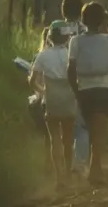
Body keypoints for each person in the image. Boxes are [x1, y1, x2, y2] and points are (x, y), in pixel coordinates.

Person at [67, 2, 108, 186]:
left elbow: (70, 70)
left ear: (83, 20)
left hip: (84, 90)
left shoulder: (76, 41)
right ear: (102, 19)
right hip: (103, 89)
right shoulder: (107, 40)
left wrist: (76, 92)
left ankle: (90, 168)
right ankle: (95, 169)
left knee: (89, 130)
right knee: (99, 132)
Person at [29, 21, 76, 189]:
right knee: (68, 138)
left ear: (49, 37)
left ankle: (59, 178)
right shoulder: (71, 54)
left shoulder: (43, 56)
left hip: (52, 100)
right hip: (69, 99)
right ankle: (69, 173)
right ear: (66, 37)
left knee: (54, 138)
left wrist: (43, 92)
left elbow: (32, 81)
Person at [61, 0, 89, 177]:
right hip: (81, 79)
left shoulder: (55, 29)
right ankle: (78, 163)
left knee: (62, 126)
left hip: (57, 79)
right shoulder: (86, 30)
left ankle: (60, 164)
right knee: (82, 126)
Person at [29, 27, 52, 175]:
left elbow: (33, 81)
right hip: (50, 99)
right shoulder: (62, 55)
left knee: (49, 135)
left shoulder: (39, 56)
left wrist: (42, 92)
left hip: (41, 99)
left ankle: (48, 164)